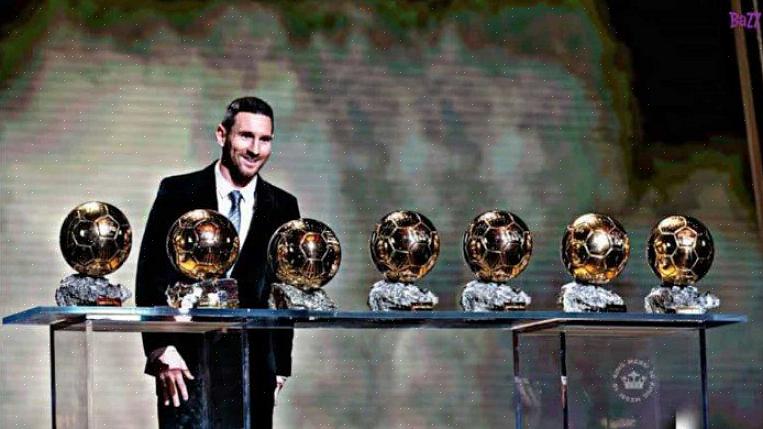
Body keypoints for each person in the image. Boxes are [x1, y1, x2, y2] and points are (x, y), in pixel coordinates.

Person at [136, 96, 299, 428]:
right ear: (221, 134)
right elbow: (150, 274)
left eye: (265, 139)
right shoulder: (177, 192)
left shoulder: (284, 206)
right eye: (246, 136)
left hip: (254, 369)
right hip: (184, 365)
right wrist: (161, 347)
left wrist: (280, 367)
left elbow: (283, 291)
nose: (255, 149)